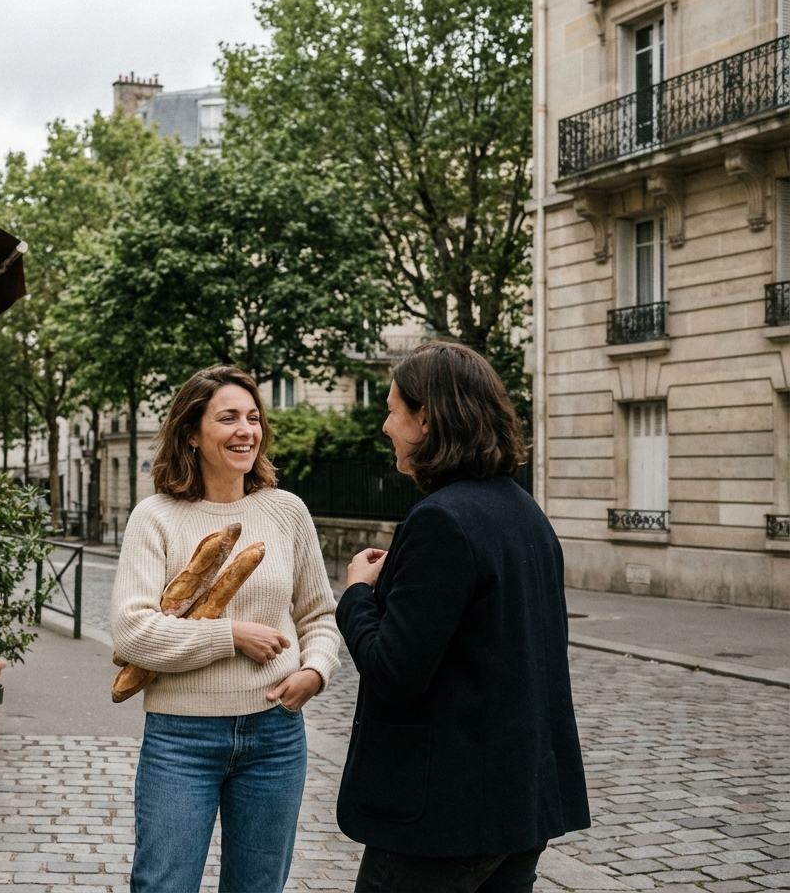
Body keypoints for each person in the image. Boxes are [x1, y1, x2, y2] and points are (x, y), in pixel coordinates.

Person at [337, 341, 591, 893]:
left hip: (444, 820)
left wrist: (356, 595)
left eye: (392, 409)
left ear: (425, 418)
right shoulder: (524, 511)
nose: (385, 426)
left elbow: (395, 670)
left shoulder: (441, 522)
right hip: (518, 806)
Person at [111, 364, 342, 893]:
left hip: (276, 736)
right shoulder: (156, 517)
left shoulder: (287, 512)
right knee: (163, 884)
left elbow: (319, 616)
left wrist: (316, 671)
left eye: (254, 418)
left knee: (258, 886)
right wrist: (230, 636)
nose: (246, 430)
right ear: (192, 433)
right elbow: (132, 632)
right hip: (181, 738)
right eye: (229, 418)